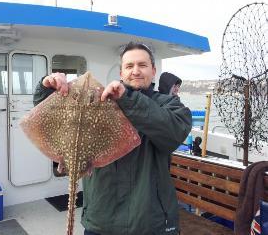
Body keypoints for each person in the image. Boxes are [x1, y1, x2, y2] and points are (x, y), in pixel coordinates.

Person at [33, 42, 192, 234]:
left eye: (142, 65)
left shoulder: (169, 105)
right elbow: (53, 118)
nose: (136, 71)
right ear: (121, 72)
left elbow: (174, 131)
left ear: (153, 70)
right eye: (129, 66)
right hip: (101, 219)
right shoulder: (100, 101)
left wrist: (128, 99)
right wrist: (49, 89)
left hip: (150, 223)